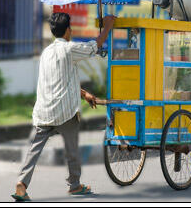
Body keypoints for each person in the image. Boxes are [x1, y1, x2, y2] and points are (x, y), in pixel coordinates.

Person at [11, 12, 116, 201]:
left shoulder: (47, 53)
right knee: (72, 149)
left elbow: (63, 80)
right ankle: (75, 186)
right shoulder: (70, 49)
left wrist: (85, 94)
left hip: (44, 110)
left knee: (34, 149)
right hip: (65, 111)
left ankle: (21, 184)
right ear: (68, 30)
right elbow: (95, 45)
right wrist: (108, 25)